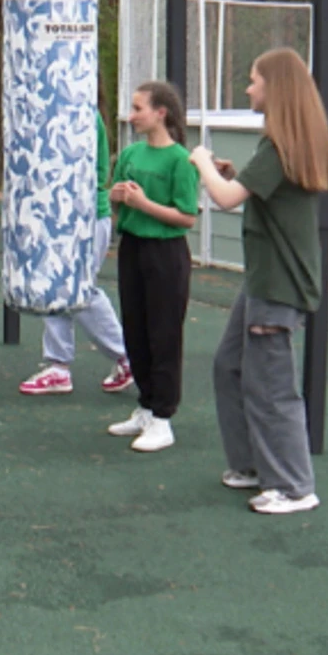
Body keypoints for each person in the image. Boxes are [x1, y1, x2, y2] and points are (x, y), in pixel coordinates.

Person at [190, 49, 328, 515]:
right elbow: (251, 188)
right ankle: (252, 465)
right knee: (230, 366)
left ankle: (295, 486)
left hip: (278, 283)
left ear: (275, 88)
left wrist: (201, 162)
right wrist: (229, 171)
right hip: (263, 279)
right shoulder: (278, 146)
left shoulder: (279, 147)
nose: (249, 88)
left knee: (272, 385)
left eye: (253, 81)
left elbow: (227, 199)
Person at [105, 80, 199, 453]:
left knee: (164, 335)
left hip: (166, 255)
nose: (132, 115)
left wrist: (144, 205)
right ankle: (145, 406)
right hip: (133, 249)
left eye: (138, 108)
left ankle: (163, 417)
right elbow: (116, 198)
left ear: (160, 113)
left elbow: (186, 216)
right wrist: (117, 198)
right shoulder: (130, 155)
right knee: (136, 330)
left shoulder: (180, 160)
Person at [18, 110, 134, 397]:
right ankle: (58, 365)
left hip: (85, 218)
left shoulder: (79, 110)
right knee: (55, 286)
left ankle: (126, 356)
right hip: (62, 217)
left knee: (79, 290)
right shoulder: (57, 108)